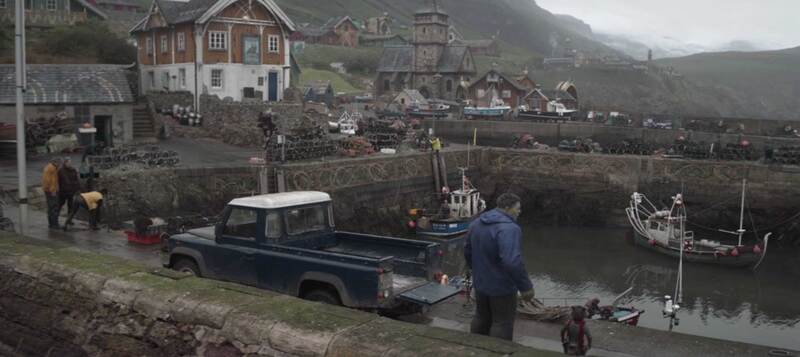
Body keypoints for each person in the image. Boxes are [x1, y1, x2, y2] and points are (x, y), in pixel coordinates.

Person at [464, 192, 534, 341]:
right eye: (517, 208)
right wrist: (526, 287)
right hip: (502, 288)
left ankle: (475, 348)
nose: (519, 211)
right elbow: (512, 261)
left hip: (481, 284)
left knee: (481, 317)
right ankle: (497, 351)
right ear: (508, 208)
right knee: (502, 323)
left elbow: (467, 251)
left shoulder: (476, 223)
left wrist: (476, 271)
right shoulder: (509, 229)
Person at [41, 158, 61, 229]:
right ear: (55, 162)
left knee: (51, 208)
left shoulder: (50, 168)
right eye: (59, 163)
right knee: (54, 207)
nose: (60, 165)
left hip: (50, 190)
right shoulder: (51, 169)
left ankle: (52, 224)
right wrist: (52, 191)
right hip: (52, 191)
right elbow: (49, 181)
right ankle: (54, 224)